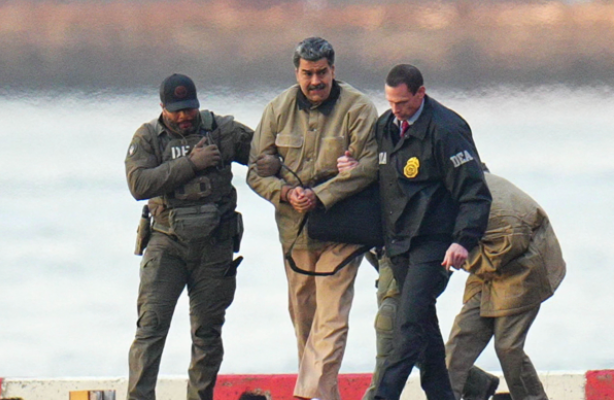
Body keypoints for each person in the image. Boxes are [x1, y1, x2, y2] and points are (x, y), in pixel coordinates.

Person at [246, 37, 378, 400]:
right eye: (308, 73)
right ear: (297, 73)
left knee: (331, 320)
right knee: (305, 325)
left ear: (333, 70)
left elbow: (369, 167)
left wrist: (321, 195)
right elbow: (256, 172)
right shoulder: (277, 110)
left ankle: (304, 396)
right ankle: (323, 395)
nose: (315, 81)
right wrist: (286, 193)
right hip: (296, 235)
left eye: (322, 73)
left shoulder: (359, 108)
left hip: (343, 231)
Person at [124, 73, 253, 400]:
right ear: (162, 107)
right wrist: (191, 164)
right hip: (167, 245)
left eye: (189, 108)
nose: (184, 116)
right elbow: (138, 184)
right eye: (176, 110)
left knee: (207, 333)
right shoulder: (148, 137)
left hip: (214, 246)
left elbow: (265, 152)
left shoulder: (221, 130)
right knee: (150, 329)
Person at [372, 64, 492, 400]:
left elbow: (475, 193)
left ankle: (384, 396)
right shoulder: (385, 126)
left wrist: (463, 241)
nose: (396, 110)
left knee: (408, 325)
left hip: (435, 242)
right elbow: (379, 179)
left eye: (403, 103)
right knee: (424, 328)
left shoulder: (447, 130)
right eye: (390, 102)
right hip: (399, 241)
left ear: (421, 93)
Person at [445, 170, 566, 400]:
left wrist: (458, 254)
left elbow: (506, 247)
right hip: (486, 262)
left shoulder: (500, 214)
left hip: (524, 267)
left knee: (508, 347)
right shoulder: (453, 189)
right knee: (460, 341)